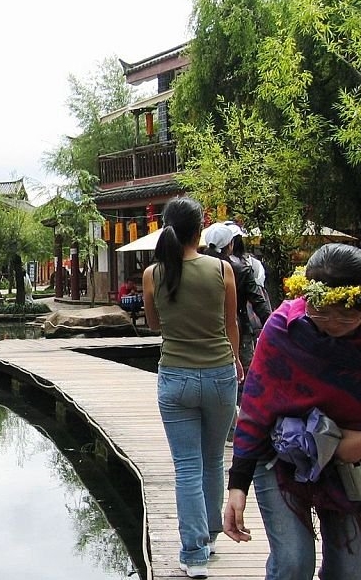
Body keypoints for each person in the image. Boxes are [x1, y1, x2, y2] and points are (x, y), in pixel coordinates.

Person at [224, 243, 361, 580]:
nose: (332, 322)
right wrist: (237, 485)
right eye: (321, 311)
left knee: (350, 570)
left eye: (345, 314)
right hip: (280, 455)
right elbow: (255, 408)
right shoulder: (284, 330)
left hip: (349, 465)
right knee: (293, 563)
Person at [142, 198, 241, 579]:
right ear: (200, 229)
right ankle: (211, 537)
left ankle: (194, 554)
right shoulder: (222, 269)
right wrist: (236, 358)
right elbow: (231, 324)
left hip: (176, 377)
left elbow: (155, 325)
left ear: (166, 227)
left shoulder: (153, 274)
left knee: (187, 467)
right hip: (219, 374)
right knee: (214, 459)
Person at [202, 222, 271, 379]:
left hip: (204, 331)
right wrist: (274, 325)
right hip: (239, 329)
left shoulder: (194, 268)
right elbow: (258, 302)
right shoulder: (241, 270)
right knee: (243, 376)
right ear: (230, 244)